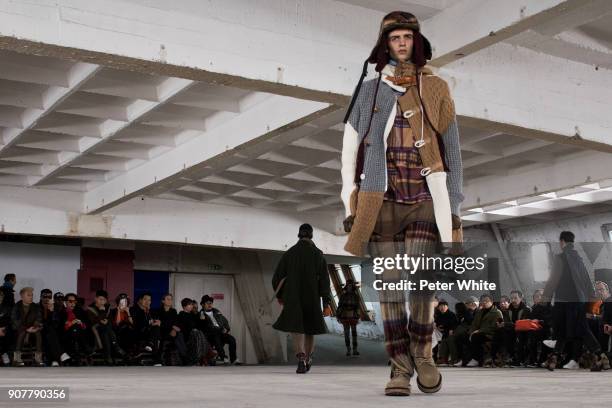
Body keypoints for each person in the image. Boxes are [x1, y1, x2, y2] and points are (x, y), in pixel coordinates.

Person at [340, 10, 463, 396]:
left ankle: (423, 355)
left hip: (426, 196)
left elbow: (454, 150)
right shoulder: (369, 91)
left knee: (421, 283)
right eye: (395, 38)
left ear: (417, 42)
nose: (402, 43)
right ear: (385, 45)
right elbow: (348, 151)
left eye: (408, 36)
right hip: (381, 201)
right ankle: (398, 368)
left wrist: (454, 201)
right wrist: (349, 205)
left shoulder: (438, 87)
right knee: (390, 289)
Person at [543, 231, 610, 371]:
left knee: (568, 329)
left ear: (562, 242)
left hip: (565, 300)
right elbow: (586, 279)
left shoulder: (560, 257)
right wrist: (590, 298)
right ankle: (601, 358)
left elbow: (553, 279)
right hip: (579, 300)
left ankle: (600, 357)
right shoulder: (578, 258)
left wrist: (546, 298)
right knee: (576, 329)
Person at [272, 223, 332, 374]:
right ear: (311, 235)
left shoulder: (289, 253)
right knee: (310, 329)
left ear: (299, 235)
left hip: (293, 298)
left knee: (296, 328)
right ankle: (308, 358)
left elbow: (277, 278)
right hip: (311, 298)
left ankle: (300, 358)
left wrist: (280, 296)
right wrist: (326, 303)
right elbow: (325, 282)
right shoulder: (318, 254)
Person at [87, 290, 124, 365]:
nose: (102, 301)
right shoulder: (90, 309)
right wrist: (101, 311)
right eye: (100, 299)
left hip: (105, 331)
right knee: (106, 328)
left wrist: (106, 321)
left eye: (104, 300)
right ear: (95, 299)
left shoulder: (108, 308)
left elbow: (110, 321)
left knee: (106, 331)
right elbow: (93, 322)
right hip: (94, 332)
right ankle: (116, 347)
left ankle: (108, 356)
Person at [465, 294, 503, 367]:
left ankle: (476, 359)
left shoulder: (497, 312)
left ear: (491, 302)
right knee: (465, 336)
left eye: (486, 301)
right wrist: (471, 332)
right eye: (482, 301)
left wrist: (479, 331)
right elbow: (474, 324)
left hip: (490, 334)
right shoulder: (479, 312)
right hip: (479, 333)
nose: (484, 303)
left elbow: (495, 327)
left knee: (476, 337)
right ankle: (466, 359)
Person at [200, 295, 238, 365]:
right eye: (207, 303)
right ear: (202, 304)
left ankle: (233, 359)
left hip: (220, 332)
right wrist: (202, 319)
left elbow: (224, 321)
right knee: (216, 336)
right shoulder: (201, 314)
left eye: (211, 303)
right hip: (210, 335)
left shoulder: (216, 311)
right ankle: (223, 357)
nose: (210, 304)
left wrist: (226, 329)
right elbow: (203, 326)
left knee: (232, 339)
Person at [11, 287, 44, 366]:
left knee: (38, 332)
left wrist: (35, 327)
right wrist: (26, 329)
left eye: (32, 295)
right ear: (22, 296)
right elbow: (14, 321)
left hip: (32, 331)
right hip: (18, 331)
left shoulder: (35, 307)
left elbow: (39, 319)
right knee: (22, 332)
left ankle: (38, 358)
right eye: (28, 295)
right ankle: (17, 359)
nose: (31, 297)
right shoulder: (16, 306)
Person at [176, 298, 212, 366]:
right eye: (189, 304)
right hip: (186, 335)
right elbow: (181, 327)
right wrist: (192, 329)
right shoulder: (181, 315)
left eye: (191, 304)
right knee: (197, 333)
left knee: (199, 333)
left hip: (194, 335)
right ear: (184, 306)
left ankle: (203, 356)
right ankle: (205, 355)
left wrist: (202, 320)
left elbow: (199, 326)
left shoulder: (192, 315)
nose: (191, 306)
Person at [130, 292, 162, 365]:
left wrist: (157, 322)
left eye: (149, 300)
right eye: (145, 299)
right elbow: (137, 324)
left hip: (149, 333)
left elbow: (151, 321)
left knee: (156, 329)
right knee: (156, 334)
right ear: (140, 300)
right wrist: (150, 323)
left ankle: (151, 346)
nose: (147, 302)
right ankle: (157, 360)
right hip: (138, 332)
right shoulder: (134, 309)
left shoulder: (150, 311)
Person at [60, 293, 92, 366]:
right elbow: (61, 328)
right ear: (65, 302)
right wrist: (71, 323)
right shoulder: (62, 312)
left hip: (79, 334)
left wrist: (80, 323)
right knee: (74, 328)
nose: (73, 303)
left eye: (74, 301)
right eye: (70, 301)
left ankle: (77, 356)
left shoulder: (80, 311)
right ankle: (86, 349)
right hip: (66, 336)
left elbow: (87, 325)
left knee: (76, 328)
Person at [39, 289, 65, 366]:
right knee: (50, 333)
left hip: (51, 332)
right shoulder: (36, 307)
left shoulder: (55, 308)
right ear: (40, 297)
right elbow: (38, 321)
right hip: (39, 331)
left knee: (51, 334)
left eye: (49, 297)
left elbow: (55, 323)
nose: (47, 299)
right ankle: (59, 356)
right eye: (44, 296)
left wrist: (51, 312)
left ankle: (53, 360)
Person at [527, 289, 552, 367]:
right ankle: (533, 360)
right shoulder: (534, 308)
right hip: (535, 330)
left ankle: (542, 360)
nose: (539, 297)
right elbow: (530, 319)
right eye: (536, 296)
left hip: (547, 329)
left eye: (541, 296)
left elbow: (550, 321)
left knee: (545, 337)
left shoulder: (550, 307)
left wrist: (539, 321)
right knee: (530, 336)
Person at [336, 279, 361, 356]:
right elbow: (339, 306)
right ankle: (348, 349)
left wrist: (358, 315)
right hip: (345, 316)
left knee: (354, 333)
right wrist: (338, 316)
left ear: (352, 286)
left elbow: (358, 307)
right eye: (348, 285)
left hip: (353, 316)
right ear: (346, 286)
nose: (349, 287)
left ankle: (355, 349)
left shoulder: (356, 296)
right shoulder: (343, 296)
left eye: (351, 285)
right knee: (346, 333)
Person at [434, 300, 457, 365]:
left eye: (444, 306)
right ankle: (442, 359)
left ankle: (454, 359)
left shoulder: (451, 314)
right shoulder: (438, 315)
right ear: (438, 308)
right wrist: (437, 327)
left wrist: (452, 329)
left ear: (447, 307)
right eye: (441, 306)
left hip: (451, 332)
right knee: (442, 340)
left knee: (449, 340)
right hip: (442, 333)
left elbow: (455, 324)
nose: (442, 307)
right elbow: (436, 324)